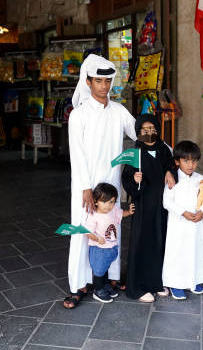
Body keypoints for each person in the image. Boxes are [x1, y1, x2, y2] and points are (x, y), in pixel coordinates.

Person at [63, 54, 137, 310]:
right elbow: (77, 154)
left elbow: (139, 132)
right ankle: (80, 284)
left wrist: (157, 137)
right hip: (87, 186)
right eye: (98, 81)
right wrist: (85, 188)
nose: (104, 85)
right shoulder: (78, 115)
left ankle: (110, 278)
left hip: (111, 181)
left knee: (112, 227)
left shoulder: (119, 111)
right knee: (83, 230)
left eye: (107, 80)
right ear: (88, 82)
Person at [121, 114, 175, 303]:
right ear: (138, 133)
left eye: (153, 130)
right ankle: (138, 287)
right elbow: (126, 179)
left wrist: (169, 171)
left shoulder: (164, 150)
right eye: (145, 131)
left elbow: (171, 166)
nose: (149, 133)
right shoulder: (134, 154)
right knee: (142, 242)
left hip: (162, 206)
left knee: (160, 241)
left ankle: (157, 282)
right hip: (144, 205)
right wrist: (135, 181)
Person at [162, 141, 203, 300]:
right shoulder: (173, 178)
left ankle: (194, 280)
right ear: (177, 161)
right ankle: (176, 283)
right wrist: (183, 212)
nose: (191, 165)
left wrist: (202, 211)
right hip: (178, 224)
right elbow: (167, 201)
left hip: (195, 224)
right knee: (177, 252)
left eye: (194, 161)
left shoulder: (201, 179)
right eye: (186, 161)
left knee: (195, 250)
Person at [83, 183, 135, 303]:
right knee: (99, 271)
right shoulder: (93, 215)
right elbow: (87, 232)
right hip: (99, 249)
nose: (109, 205)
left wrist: (130, 212)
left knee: (105, 268)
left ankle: (105, 285)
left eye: (112, 202)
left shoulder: (113, 210)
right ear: (95, 201)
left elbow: (121, 214)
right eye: (104, 202)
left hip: (111, 247)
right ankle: (98, 290)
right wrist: (96, 238)